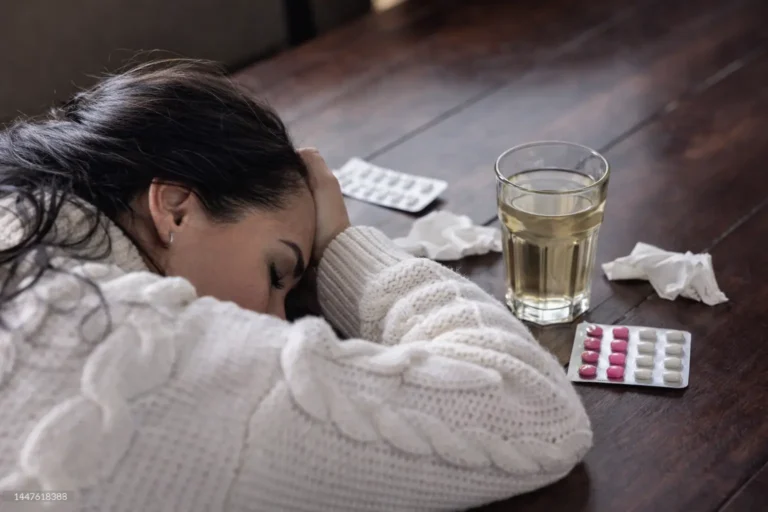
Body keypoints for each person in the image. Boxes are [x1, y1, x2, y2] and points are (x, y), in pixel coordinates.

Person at [0, 60, 592, 512]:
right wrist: (343, 248)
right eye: (276, 273)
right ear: (175, 207)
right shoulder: (143, 353)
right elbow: (532, 414)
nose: (277, 323)